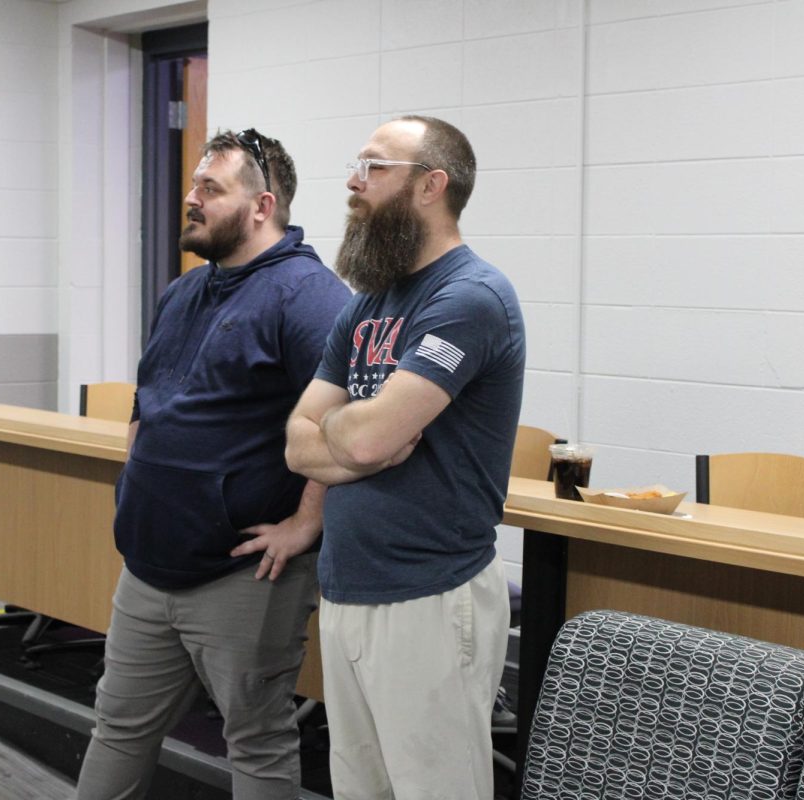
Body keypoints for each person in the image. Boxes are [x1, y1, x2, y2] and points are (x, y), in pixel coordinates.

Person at [76, 129, 351, 800]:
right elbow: (149, 399)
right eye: (194, 185)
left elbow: (339, 421)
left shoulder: (308, 296)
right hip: (149, 564)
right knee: (117, 725)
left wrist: (304, 523)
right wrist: (132, 482)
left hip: (242, 573)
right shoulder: (184, 293)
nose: (191, 199)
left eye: (210, 188)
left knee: (255, 740)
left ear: (262, 205)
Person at [284, 116, 526, 800]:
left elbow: (357, 438)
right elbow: (300, 442)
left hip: (429, 596)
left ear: (431, 185)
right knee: (361, 789)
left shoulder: (469, 298)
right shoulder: (368, 306)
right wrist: (358, 441)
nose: (353, 182)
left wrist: (350, 437)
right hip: (349, 588)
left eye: (374, 166)